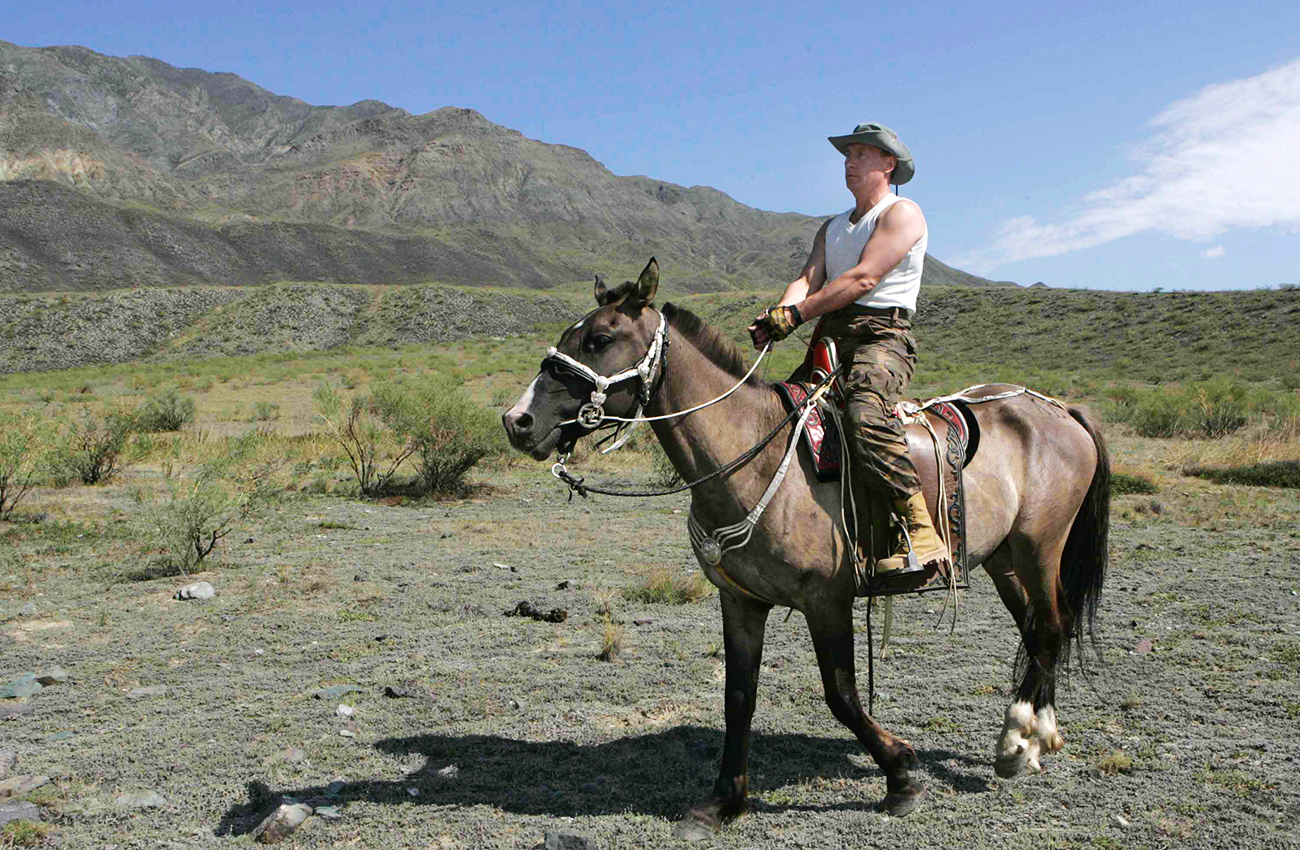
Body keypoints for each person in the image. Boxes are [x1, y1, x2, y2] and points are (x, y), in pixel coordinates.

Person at [748, 121, 949, 585]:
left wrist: (796, 315)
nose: (850, 162)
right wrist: (779, 312)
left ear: (888, 163)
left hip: (883, 337)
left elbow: (862, 279)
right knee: (778, 412)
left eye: (862, 154)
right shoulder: (833, 227)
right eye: (847, 154)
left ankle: (921, 530)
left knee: (863, 412)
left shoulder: (903, 213)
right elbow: (808, 278)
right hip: (832, 336)